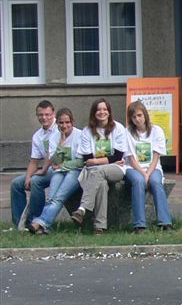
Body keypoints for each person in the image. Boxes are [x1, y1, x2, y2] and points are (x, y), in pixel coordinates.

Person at [71, 98, 129, 234]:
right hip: (97, 171)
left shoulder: (118, 128)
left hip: (117, 169)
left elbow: (118, 156)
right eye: (98, 109)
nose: (102, 112)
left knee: (99, 172)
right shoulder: (87, 131)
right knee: (101, 184)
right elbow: (87, 158)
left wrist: (97, 161)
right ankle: (99, 227)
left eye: (105, 109)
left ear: (109, 112)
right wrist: (107, 160)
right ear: (94, 112)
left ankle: (83, 208)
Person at [29, 108, 84, 234]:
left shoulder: (80, 135)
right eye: (61, 123)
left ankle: (39, 223)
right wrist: (61, 143)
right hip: (59, 171)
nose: (64, 126)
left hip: (76, 172)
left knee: (58, 198)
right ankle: (43, 226)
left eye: (67, 122)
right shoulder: (55, 137)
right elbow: (54, 162)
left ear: (72, 122)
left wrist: (62, 166)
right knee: (51, 197)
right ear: (57, 123)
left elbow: (80, 162)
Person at [124, 101, 174, 234]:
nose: (137, 119)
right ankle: (139, 225)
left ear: (145, 114)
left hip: (153, 167)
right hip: (133, 168)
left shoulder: (157, 130)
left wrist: (148, 173)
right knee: (138, 181)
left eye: (139, 115)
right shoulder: (127, 132)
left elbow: (156, 156)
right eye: (134, 117)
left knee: (156, 182)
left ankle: (165, 222)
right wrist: (143, 174)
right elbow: (131, 158)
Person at [10, 100, 59, 228]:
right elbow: (33, 161)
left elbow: (52, 155)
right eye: (41, 115)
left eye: (47, 114)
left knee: (36, 180)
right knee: (16, 184)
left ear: (53, 114)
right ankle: (20, 223)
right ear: (37, 115)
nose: (44, 117)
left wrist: (41, 171)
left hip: (59, 168)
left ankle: (35, 220)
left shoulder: (60, 128)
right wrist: (27, 177)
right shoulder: (38, 136)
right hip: (47, 169)